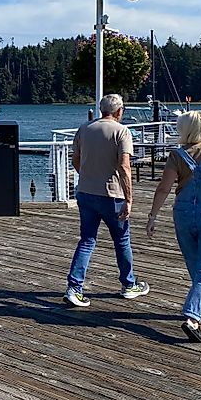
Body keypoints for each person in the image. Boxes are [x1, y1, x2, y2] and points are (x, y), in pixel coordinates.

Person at [146, 110, 201, 343]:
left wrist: (152, 216)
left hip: (183, 214)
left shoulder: (176, 154)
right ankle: (192, 316)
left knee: (196, 265)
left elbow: (163, 188)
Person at [64, 94, 150, 307]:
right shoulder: (122, 131)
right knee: (121, 240)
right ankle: (128, 285)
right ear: (120, 111)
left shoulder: (85, 128)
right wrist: (129, 199)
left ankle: (74, 287)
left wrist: (87, 176)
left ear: (101, 110)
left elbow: (75, 158)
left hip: (85, 192)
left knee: (87, 240)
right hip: (113, 195)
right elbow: (124, 167)